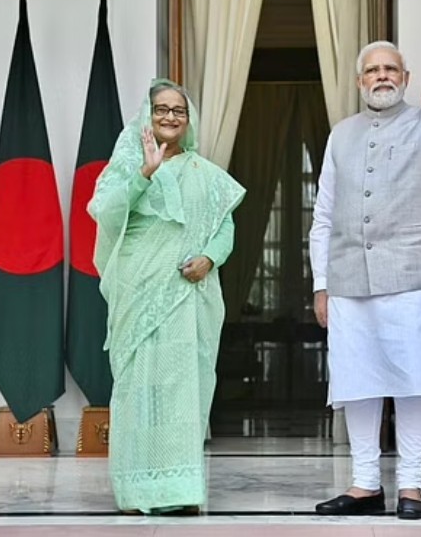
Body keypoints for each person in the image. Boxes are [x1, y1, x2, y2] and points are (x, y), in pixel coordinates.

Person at [309, 5, 421, 520]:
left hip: (414, 279)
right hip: (348, 279)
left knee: (413, 379)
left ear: (406, 79)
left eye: (391, 69)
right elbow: (323, 215)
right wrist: (322, 283)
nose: (381, 76)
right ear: (359, 81)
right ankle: (365, 485)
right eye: (372, 70)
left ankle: (411, 485)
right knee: (357, 381)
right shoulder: (339, 134)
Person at [88, 79, 245, 515]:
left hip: (189, 296)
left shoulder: (204, 172)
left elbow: (225, 228)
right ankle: (139, 491)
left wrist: (210, 259)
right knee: (139, 391)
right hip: (140, 294)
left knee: (184, 392)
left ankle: (180, 490)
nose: (171, 117)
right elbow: (105, 211)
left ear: (188, 120)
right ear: (147, 114)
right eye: (162, 109)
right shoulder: (127, 164)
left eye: (179, 110)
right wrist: (145, 173)